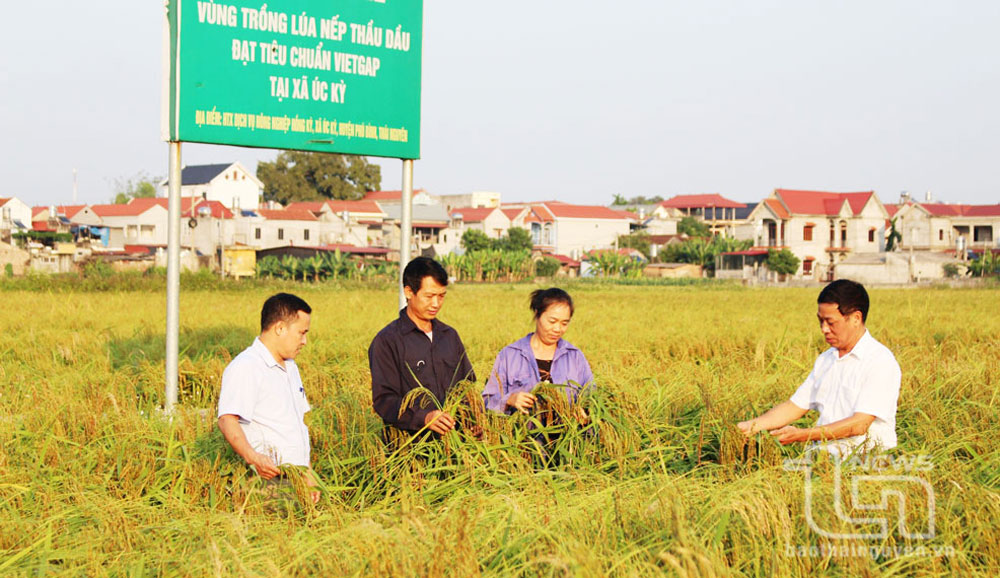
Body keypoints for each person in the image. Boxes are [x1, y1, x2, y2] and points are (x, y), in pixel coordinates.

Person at [737, 279, 901, 456]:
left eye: (831, 322)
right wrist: (751, 426)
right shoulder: (826, 360)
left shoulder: (879, 361)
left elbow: (859, 424)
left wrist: (802, 435)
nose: (824, 329)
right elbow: (795, 406)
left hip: (865, 461)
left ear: (856, 318)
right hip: (823, 461)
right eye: (821, 321)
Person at [217, 293, 319, 503]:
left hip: (296, 478)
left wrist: (308, 473)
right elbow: (227, 420)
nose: (304, 341)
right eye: (301, 333)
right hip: (268, 481)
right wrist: (253, 458)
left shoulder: (290, 367)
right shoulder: (247, 366)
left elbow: (297, 425)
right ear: (280, 328)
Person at [369, 257, 476, 435]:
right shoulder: (387, 341)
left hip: (456, 444)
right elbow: (384, 401)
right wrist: (425, 418)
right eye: (429, 296)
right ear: (409, 292)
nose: (436, 304)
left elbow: (467, 386)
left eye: (441, 296)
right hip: (410, 445)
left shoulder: (449, 336)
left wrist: (473, 422)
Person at [482, 287, 594, 416]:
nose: (557, 329)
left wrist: (585, 411)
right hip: (522, 429)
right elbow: (487, 402)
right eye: (552, 321)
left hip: (566, 429)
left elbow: (591, 396)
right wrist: (509, 400)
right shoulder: (510, 355)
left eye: (564, 323)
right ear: (537, 314)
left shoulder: (575, 356)